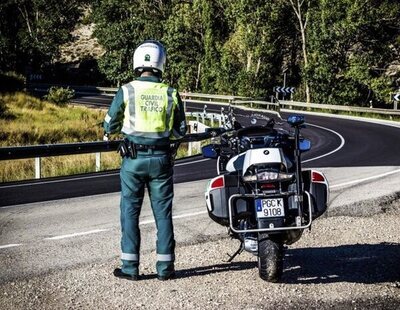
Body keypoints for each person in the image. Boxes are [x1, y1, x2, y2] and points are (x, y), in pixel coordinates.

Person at [103, 40, 187, 281]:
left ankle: (130, 268)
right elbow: (180, 131)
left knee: (130, 212)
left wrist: (117, 130)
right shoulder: (170, 92)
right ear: (161, 63)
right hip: (161, 160)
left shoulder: (127, 90)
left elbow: (110, 124)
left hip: (133, 160)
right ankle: (165, 269)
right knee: (163, 214)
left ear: (137, 62)